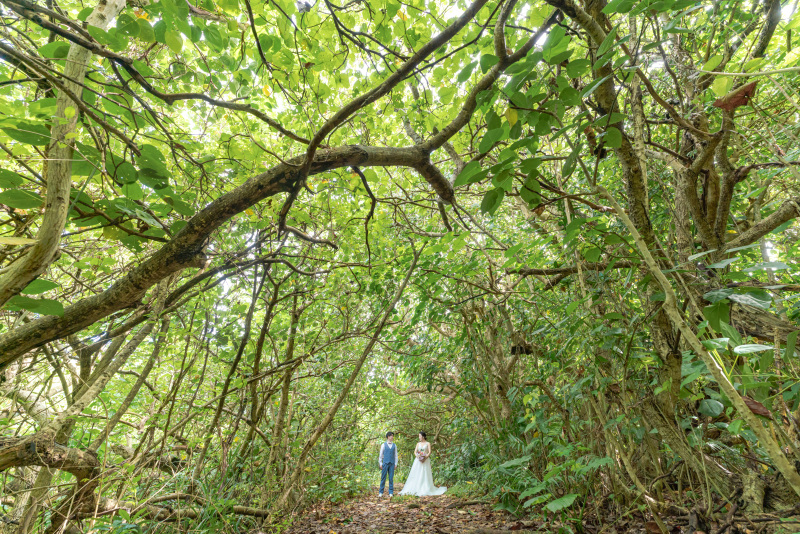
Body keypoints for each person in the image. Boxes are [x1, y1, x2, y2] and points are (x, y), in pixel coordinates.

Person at [399, 431, 446, 496]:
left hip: (425, 460)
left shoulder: (428, 443)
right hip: (418, 460)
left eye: (420, 436)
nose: (419, 437)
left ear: (423, 436)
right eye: (419, 436)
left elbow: (429, 452)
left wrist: (425, 457)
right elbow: (415, 452)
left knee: (425, 473)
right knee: (417, 473)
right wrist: (418, 456)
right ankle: (417, 487)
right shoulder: (418, 444)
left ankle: (426, 487)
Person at [378, 431, 397, 497]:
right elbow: (380, 455)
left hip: (392, 463)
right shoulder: (383, 445)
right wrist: (380, 463)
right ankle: (381, 492)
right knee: (383, 478)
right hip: (385, 463)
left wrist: (396, 464)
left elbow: (396, 456)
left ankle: (391, 492)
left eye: (392, 436)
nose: (392, 437)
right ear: (388, 437)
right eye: (391, 436)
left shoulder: (394, 445)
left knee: (391, 478)